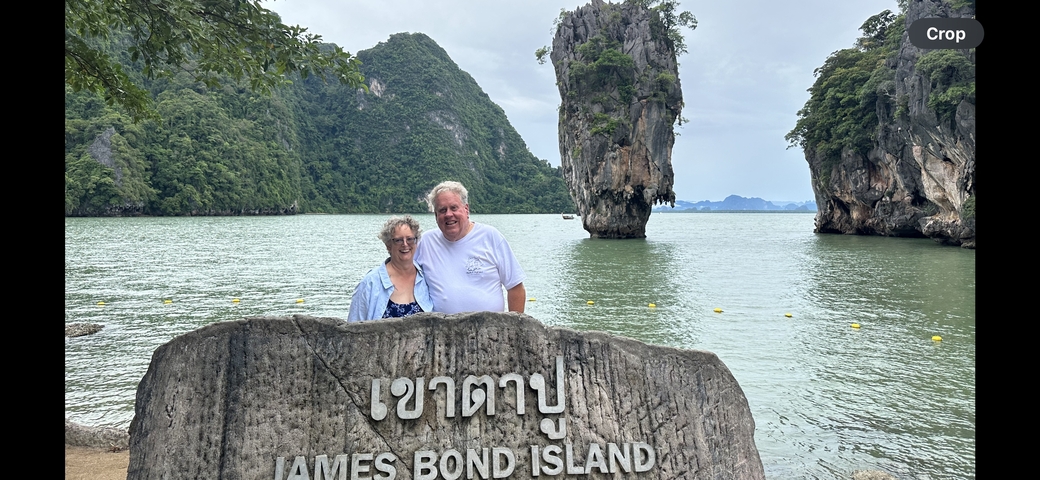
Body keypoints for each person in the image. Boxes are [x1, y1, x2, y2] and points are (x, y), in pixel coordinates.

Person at [415, 181, 527, 314]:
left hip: (489, 330)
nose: (449, 214)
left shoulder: (490, 237)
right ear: (436, 216)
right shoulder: (426, 242)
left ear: (466, 210)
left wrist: (513, 330)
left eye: (454, 208)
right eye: (442, 210)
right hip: (443, 331)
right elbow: (402, 273)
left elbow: (515, 287)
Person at [347, 216, 434, 322]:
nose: (405, 244)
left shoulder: (426, 277)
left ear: (416, 242)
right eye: (398, 240)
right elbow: (353, 327)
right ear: (388, 245)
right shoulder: (369, 283)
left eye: (410, 239)